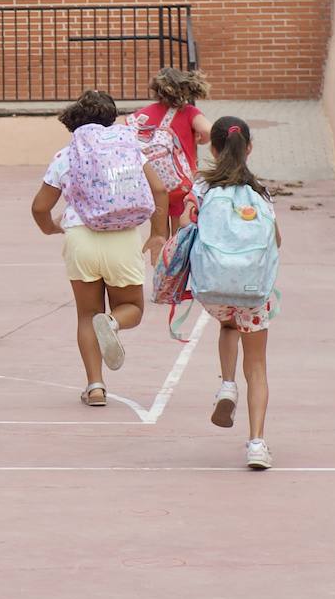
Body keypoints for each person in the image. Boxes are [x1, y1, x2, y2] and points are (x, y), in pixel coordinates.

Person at [30, 90, 167, 406]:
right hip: (123, 238)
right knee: (132, 307)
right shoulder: (131, 149)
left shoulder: (66, 155)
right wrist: (158, 233)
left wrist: (51, 227)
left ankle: (95, 386)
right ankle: (114, 323)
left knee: (87, 314)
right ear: (111, 119)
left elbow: (39, 207)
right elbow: (159, 189)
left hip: (81, 238)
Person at [191, 116, 282, 470]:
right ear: (249, 148)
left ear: (213, 149)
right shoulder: (262, 193)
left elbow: (188, 225)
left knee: (227, 325)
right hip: (253, 288)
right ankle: (257, 444)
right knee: (257, 365)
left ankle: (227, 384)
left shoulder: (203, 188)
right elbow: (276, 239)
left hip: (214, 285)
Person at [132, 67, 213, 236]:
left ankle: (160, 259)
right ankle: (176, 261)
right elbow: (208, 130)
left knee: (159, 236)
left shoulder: (143, 114)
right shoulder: (189, 112)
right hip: (180, 184)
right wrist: (201, 139)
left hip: (154, 184)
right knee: (179, 236)